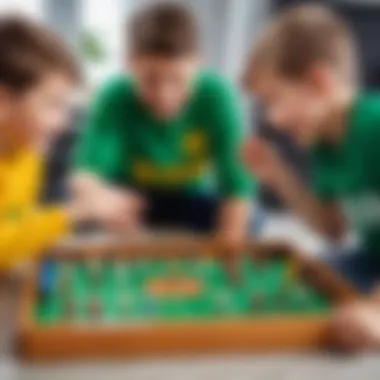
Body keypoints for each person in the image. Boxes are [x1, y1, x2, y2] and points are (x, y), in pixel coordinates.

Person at [242, 4, 380, 351]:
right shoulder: (324, 143)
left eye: (274, 100)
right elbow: (331, 229)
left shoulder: (373, 124)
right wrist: (279, 177)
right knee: (310, 277)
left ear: (319, 81)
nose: (271, 119)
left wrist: (376, 310)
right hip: (370, 256)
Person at [71, 2, 255, 249]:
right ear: (129, 64)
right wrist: (107, 206)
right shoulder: (113, 96)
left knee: (251, 220)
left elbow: (238, 185)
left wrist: (226, 247)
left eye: (178, 80)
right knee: (83, 217)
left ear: (198, 63)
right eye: (150, 80)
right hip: (132, 199)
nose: (164, 95)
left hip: (192, 197)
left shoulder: (218, 95)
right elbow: (86, 176)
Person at [0, 15, 134, 270]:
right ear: (3, 102)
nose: (62, 123)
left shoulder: (28, 153)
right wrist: (75, 212)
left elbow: (17, 223)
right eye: (52, 104)